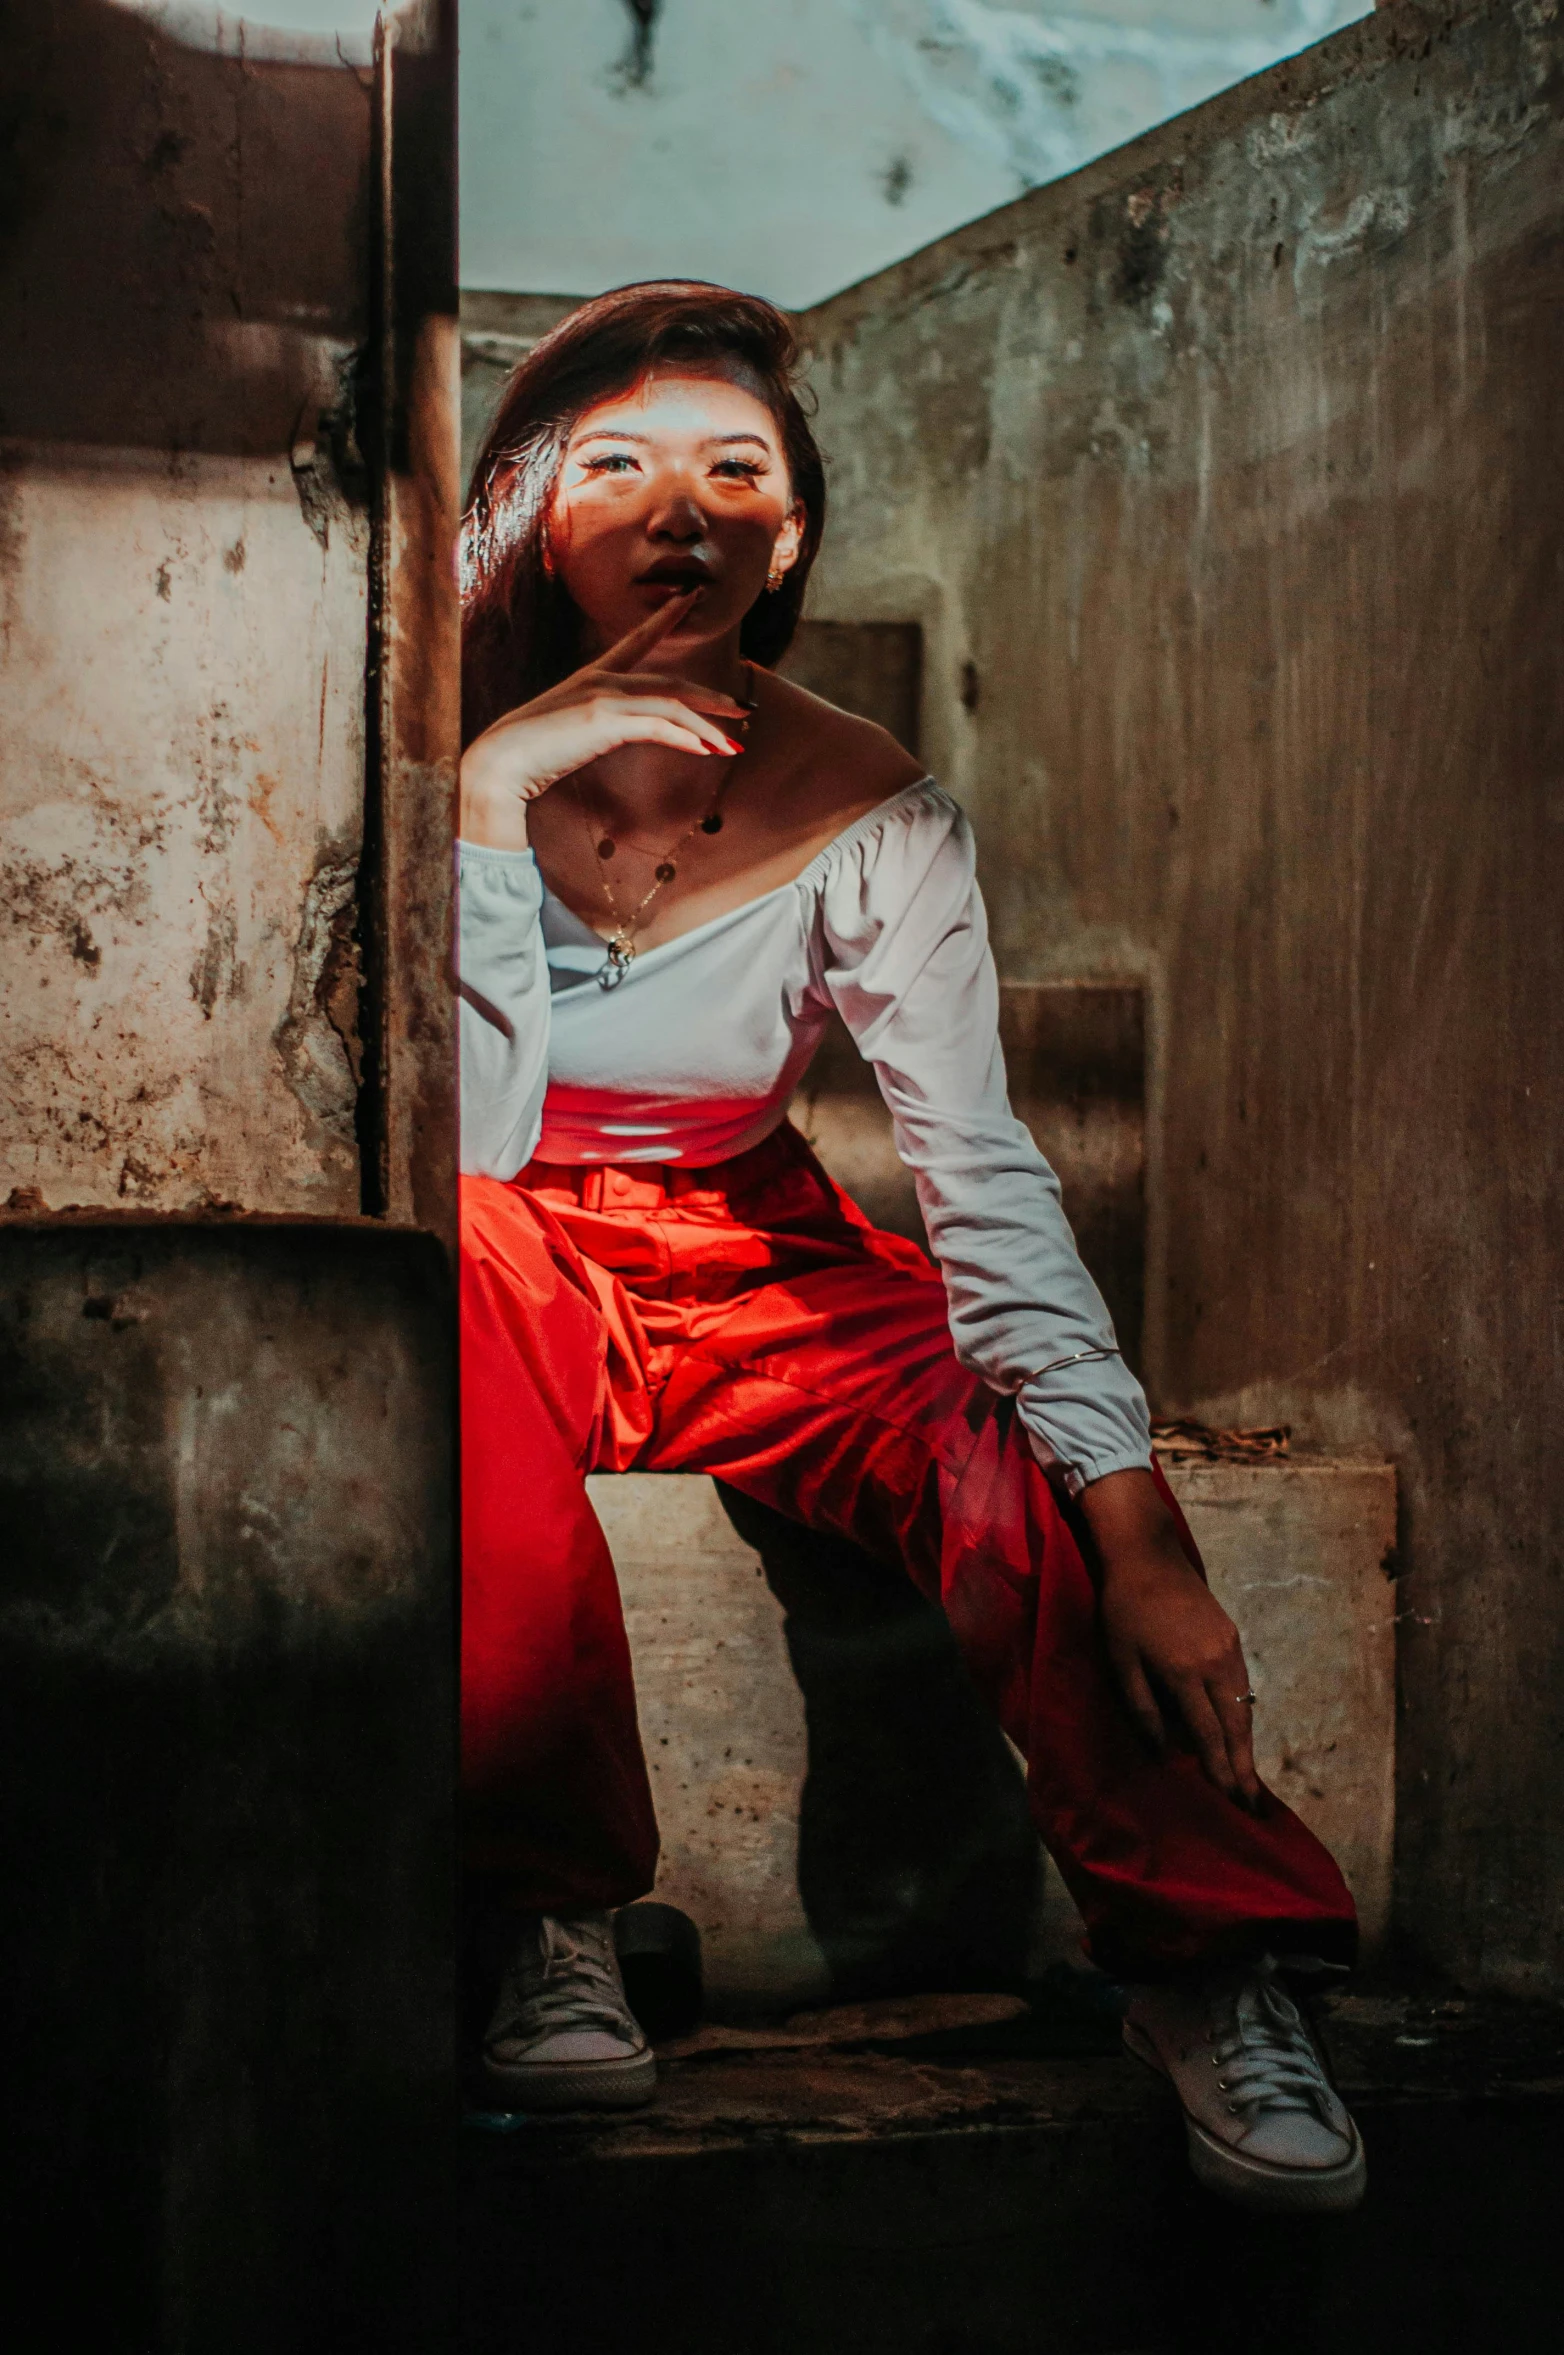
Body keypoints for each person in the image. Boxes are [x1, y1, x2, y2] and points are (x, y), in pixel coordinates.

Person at [457, 281, 1365, 2214]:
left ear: (790, 532)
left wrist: (1138, 1530)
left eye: (738, 468)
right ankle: (548, 1915)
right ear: (532, 508)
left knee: (991, 1421)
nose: (680, 505)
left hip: (746, 1237)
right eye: (614, 463)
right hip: (496, 1231)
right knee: (442, 1280)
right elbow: (475, 1134)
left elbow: (978, 1166)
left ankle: (1206, 1964)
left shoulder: (872, 802)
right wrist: (486, 790)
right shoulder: (413, 747)